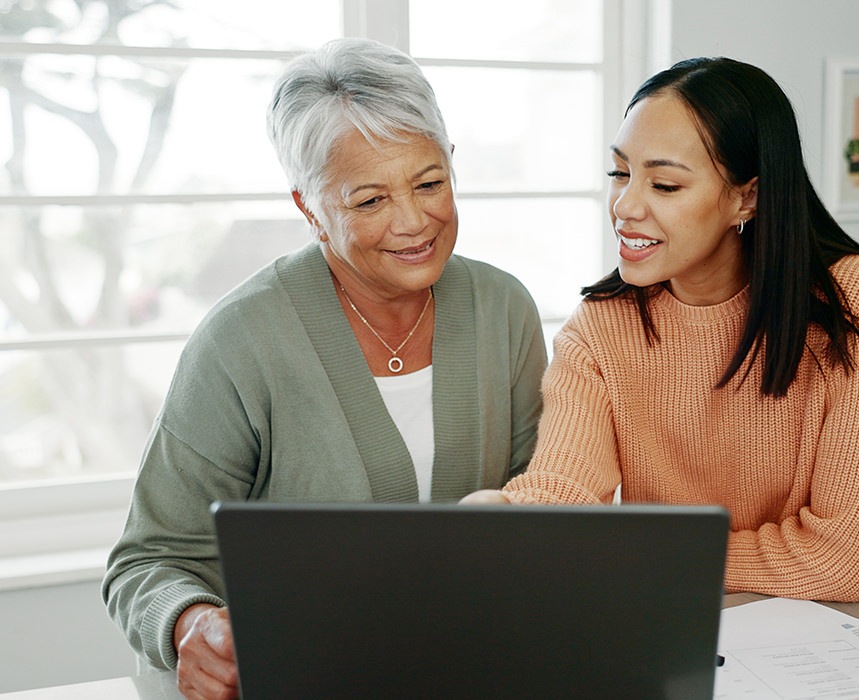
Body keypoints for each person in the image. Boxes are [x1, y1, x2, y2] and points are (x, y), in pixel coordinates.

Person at [103, 38, 547, 699]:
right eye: (369, 201)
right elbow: (148, 559)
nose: (413, 221)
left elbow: (544, 512)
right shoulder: (241, 339)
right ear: (308, 207)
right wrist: (191, 625)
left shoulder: (504, 309)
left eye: (430, 183)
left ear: (452, 164)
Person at [462, 56, 859, 603]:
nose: (625, 206)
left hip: (818, 633)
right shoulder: (601, 327)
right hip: (670, 611)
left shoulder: (852, 304)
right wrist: (510, 514)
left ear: (746, 197)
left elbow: (847, 559)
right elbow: (566, 490)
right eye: (620, 173)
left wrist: (645, 552)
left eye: (665, 185)